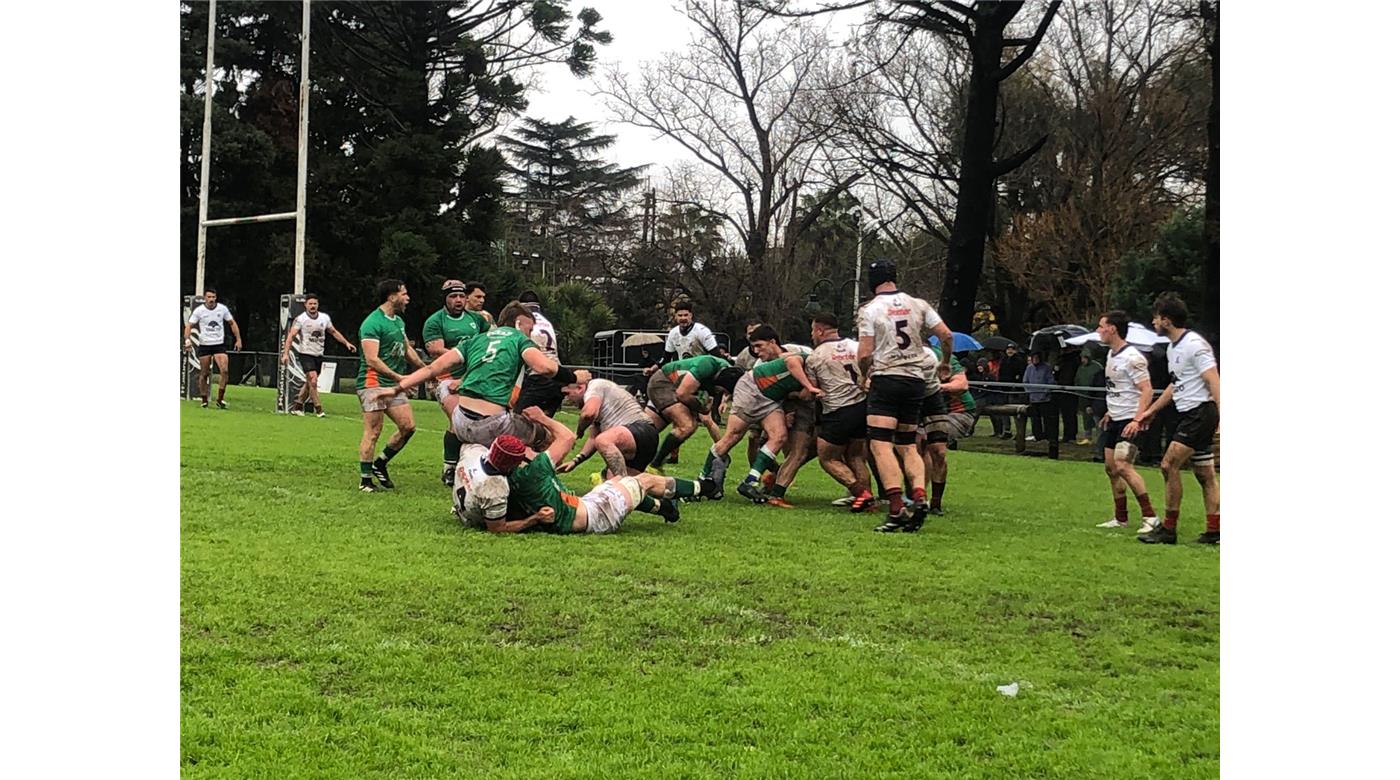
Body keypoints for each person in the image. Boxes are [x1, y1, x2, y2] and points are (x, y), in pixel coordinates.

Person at [374, 301, 587, 452]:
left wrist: (397, 388)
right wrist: (574, 377)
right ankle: (539, 489)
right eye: (529, 329)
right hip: (492, 424)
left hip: (461, 420)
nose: (531, 335)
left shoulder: (475, 340)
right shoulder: (518, 339)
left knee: (509, 430)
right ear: (518, 324)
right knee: (546, 437)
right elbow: (546, 368)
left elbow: (432, 369)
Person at [494, 413, 719, 534]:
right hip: (596, 516)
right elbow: (568, 437)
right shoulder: (535, 471)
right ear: (520, 457)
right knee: (643, 481)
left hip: (584, 506)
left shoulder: (502, 479)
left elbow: (499, 526)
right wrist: (541, 418)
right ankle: (705, 487)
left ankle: (666, 509)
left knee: (618, 481)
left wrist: (532, 520)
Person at [857, 258, 954, 532]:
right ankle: (920, 496)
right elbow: (946, 336)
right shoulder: (919, 304)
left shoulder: (870, 309)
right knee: (907, 443)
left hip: (887, 378)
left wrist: (866, 373)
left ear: (871, 281)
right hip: (916, 381)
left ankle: (897, 506)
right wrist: (945, 362)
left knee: (880, 444)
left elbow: (864, 353)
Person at [700, 326, 824, 504]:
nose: (756, 352)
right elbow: (791, 365)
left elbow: (793, 374)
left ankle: (750, 482)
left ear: (773, 342)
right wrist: (810, 387)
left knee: (779, 436)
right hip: (752, 390)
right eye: (754, 348)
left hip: (770, 399)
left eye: (759, 346)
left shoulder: (802, 353)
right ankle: (703, 479)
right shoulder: (764, 364)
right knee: (733, 436)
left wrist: (802, 393)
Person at [1137, 294, 1221, 545]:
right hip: (1191, 413)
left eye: (1156, 317)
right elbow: (1176, 385)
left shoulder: (1194, 344)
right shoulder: (1174, 348)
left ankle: (1169, 529)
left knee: (1168, 464)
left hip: (1199, 413)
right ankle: (1214, 530)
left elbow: (1213, 379)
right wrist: (1152, 410)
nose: (1153, 322)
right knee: (1205, 474)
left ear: (1167, 320)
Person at [354, 279, 427, 492]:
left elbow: (406, 349)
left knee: (408, 426)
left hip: (393, 383)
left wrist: (425, 369)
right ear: (391, 296)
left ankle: (380, 463)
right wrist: (399, 378)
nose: (407, 298)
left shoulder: (398, 322)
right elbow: (372, 360)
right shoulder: (372, 323)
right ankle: (365, 480)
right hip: (372, 383)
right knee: (373, 431)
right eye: (404, 294)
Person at [1091, 311, 1159, 532]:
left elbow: (1146, 390)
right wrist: (1111, 412)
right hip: (1116, 419)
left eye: (1101, 327)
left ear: (1112, 329)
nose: (1098, 331)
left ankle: (1150, 516)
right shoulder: (1111, 355)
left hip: (1130, 420)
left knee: (1123, 465)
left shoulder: (1133, 358)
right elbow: (1120, 389)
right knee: (1111, 468)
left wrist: (1138, 419)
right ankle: (1121, 518)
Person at [423, 280, 493, 484]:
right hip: (447, 378)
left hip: (473, 377)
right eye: (453, 296)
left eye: (461, 296)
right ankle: (449, 468)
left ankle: (473, 466)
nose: (458, 300)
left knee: (479, 421)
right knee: (458, 419)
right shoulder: (435, 321)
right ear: (445, 299)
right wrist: (465, 354)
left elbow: (488, 341)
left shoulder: (476, 320)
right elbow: (436, 349)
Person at [806, 313, 875, 511]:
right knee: (856, 456)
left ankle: (861, 493)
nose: (812, 335)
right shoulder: (855, 347)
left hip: (838, 410)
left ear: (820, 330)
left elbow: (812, 390)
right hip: (862, 406)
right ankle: (868, 503)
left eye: (813, 330)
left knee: (828, 458)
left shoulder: (815, 356)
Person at [643, 354, 741, 472]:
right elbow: (682, 394)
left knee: (646, 430)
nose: (720, 393)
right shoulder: (708, 365)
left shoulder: (728, 374)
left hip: (676, 386)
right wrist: (700, 407)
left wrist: (706, 406)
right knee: (687, 426)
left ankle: (629, 457)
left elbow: (706, 407)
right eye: (721, 391)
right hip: (665, 383)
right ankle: (655, 465)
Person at [558, 377, 663, 481]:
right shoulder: (598, 403)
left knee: (603, 441)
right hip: (641, 440)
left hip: (640, 429)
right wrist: (575, 461)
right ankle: (667, 489)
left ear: (579, 388)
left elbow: (588, 414)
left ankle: (622, 482)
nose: (566, 399)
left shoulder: (594, 386)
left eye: (567, 394)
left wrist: (579, 431)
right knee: (619, 486)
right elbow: (593, 438)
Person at [920, 344, 976, 516]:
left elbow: (962, 384)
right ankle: (916, 497)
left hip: (957, 413)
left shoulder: (942, 357)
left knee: (933, 447)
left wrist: (935, 386)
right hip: (923, 412)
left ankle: (935, 502)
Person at [279, 293, 357, 417]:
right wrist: (285, 354)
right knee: (313, 380)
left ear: (318, 305)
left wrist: (346, 343)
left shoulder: (324, 318)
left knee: (310, 382)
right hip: (305, 353)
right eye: (310, 304)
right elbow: (290, 337)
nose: (312, 306)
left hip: (318, 354)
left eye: (315, 303)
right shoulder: (301, 319)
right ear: (305, 305)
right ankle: (319, 409)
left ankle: (297, 406)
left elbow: (333, 332)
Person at [183, 287, 243, 409]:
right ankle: (204, 399)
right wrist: (187, 340)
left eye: (213, 297)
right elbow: (189, 325)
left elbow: (232, 323)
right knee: (204, 373)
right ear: (205, 298)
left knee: (224, 371)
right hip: (205, 344)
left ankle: (220, 399)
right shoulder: (199, 311)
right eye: (209, 297)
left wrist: (238, 339)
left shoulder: (222, 309)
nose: (211, 299)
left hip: (219, 344)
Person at [514, 290, 565, 417]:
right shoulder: (547, 322)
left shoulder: (525, 323)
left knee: (519, 420)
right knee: (543, 423)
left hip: (538, 376)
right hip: (557, 375)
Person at [1023, 351, 1058, 458]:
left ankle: (1048, 437)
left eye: (1037, 358)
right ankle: (1037, 435)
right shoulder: (1029, 368)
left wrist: (1044, 393)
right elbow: (1025, 381)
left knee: (1047, 419)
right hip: (1033, 398)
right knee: (1035, 419)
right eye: (1033, 358)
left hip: (1045, 399)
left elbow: (1050, 382)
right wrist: (1030, 392)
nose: (1035, 359)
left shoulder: (1046, 368)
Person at [996, 344, 1026, 439]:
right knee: (1004, 411)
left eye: (1012, 349)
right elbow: (1000, 373)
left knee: (1015, 411)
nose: (1010, 351)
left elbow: (1021, 374)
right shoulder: (1003, 360)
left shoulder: (1019, 361)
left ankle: (1019, 432)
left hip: (1015, 390)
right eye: (1008, 349)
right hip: (1004, 389)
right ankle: (1007, 430)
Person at [1075, 350, 1105, 445]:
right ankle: (1088, 437)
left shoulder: (1097, 367)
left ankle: (1100, 438)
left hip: (1095, 397)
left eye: (1084, 358)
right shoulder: (1081, 368)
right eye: (1081, 358)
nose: (1082, 360)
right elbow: (1077, 380)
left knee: (1097, 418)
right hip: (1083, 396)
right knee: (1086, 417)